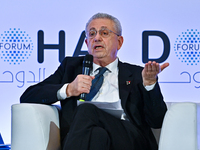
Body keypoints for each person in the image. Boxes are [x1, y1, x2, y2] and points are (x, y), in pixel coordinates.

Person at [20, 13, 169, 150]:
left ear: (119, 42)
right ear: (86, 43)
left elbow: (157, 120)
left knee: (86, 109)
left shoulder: (137, 74)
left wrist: (150, 85)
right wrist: (68, 89)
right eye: (92, 34)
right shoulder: (70, 67)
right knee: (97, 136)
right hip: (83, 139)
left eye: (104, 33)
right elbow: (28, 96)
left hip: (128, 140)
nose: (97, 38)